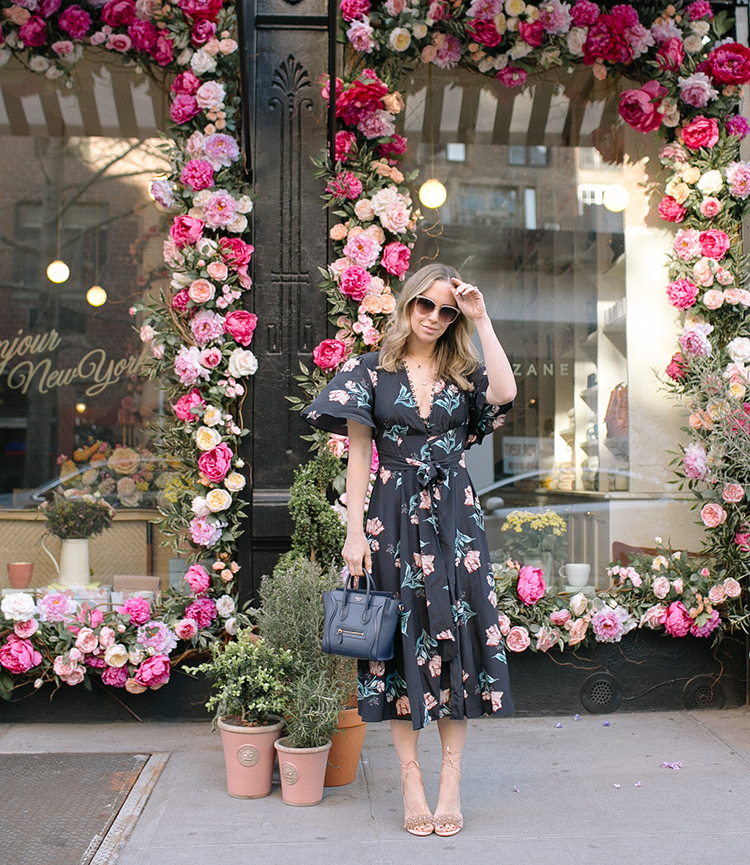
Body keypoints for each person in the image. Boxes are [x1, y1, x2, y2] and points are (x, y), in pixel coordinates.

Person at [302, 262, 517, 836]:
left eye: (446, 311)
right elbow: (357, 456)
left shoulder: (464, 371)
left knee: (457, 643)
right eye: (426, 305)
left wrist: (482, 317)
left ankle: (450, 782)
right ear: (407, 303)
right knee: (398, 646)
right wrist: (352, 532)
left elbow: (506, 392)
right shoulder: (370, 373)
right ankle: (410, 781)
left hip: (454, 522)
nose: (434, 317)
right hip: (390, 519)